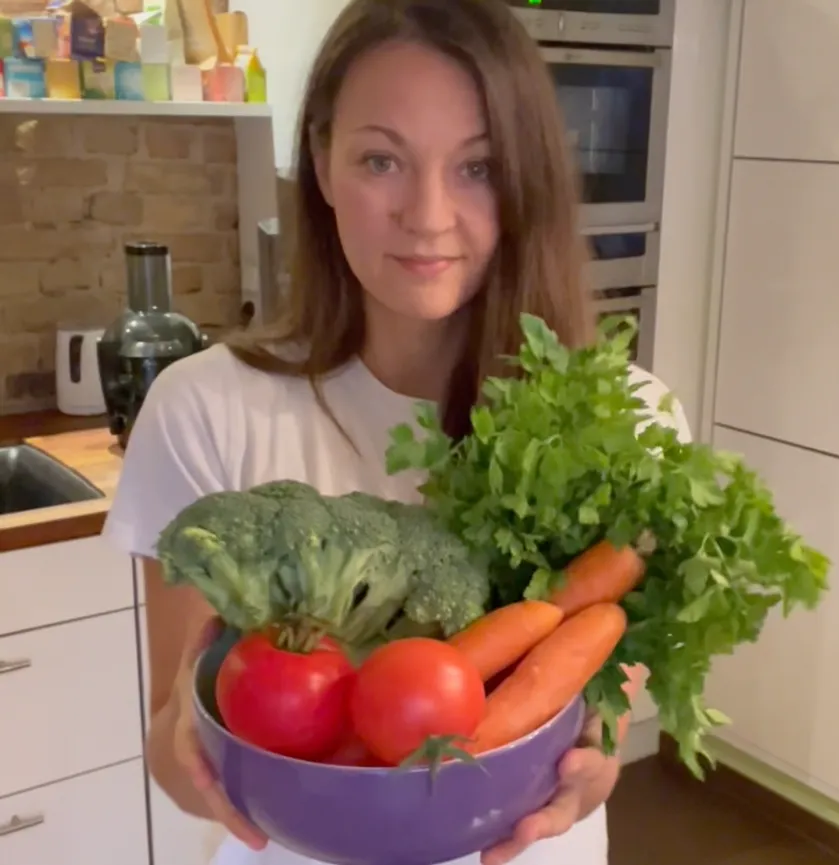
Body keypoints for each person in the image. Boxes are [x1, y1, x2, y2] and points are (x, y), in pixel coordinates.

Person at [103, 1, 690, 864]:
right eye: (382, 159)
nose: (428, 213)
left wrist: (597, 763)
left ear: (525, 179)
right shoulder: (204, 408)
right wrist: (197, 755)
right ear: (322, 164)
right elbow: (168, 737)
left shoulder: (628, 423)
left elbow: (600, 706)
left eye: (479, 167)